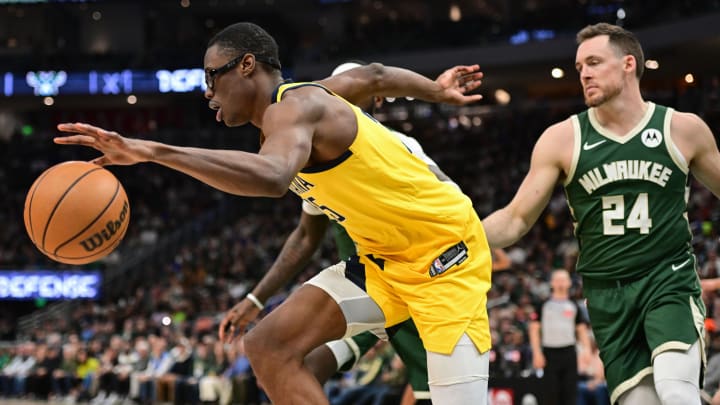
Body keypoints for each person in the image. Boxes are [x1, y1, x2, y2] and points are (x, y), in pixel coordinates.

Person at [54, 22, 492, 405]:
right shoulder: (305, 102)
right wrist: (435, 90)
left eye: (212, 76)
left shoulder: (296, 109)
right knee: (267, 346)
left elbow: (272, 177)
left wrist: (152, 151)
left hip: (444, 257)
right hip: (384, 264)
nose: (207, 92)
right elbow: (372, 76)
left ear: (247, 65)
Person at [482, 22, 719, 405]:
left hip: (668, 280)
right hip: (608, 297)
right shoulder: (562, 138)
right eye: (579, 68)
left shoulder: (682, 129)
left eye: (593, 62)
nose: (584, 74)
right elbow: (516, 219)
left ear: (628, 64)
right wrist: (460, 232)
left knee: (676, 393)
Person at [528, 269, 591, 405]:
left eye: (563, 280)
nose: (560, 283)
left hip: (569, 353)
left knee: (570, 395)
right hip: (549, 354)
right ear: (552, 283)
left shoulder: (574, 305)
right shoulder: (543, 305)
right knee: (550, 395)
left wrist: (586, 350)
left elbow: (581, 330)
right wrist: (537, 353)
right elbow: (533, 329)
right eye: (557, 280)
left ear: (569, 283)